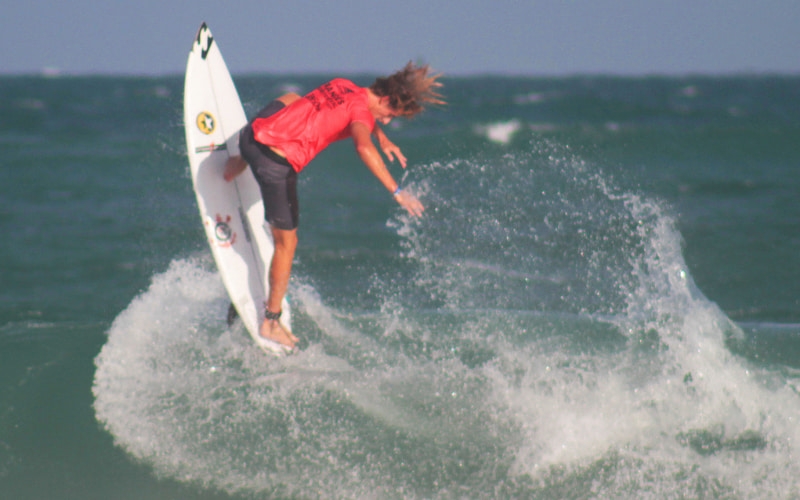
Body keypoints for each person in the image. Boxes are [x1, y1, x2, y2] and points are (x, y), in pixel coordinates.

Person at [223, 62, 444, 351]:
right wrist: (397, 191)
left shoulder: (343, 85)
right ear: (388, 100)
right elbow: (363, 146)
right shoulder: (361, 115)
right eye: (391, 115)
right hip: (274, 165)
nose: (387, 121)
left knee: (292, 99)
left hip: (252, 137)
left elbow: (358, 116)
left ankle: (236, 164)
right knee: (287, 244)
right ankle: (271, 322)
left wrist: (382, 136)